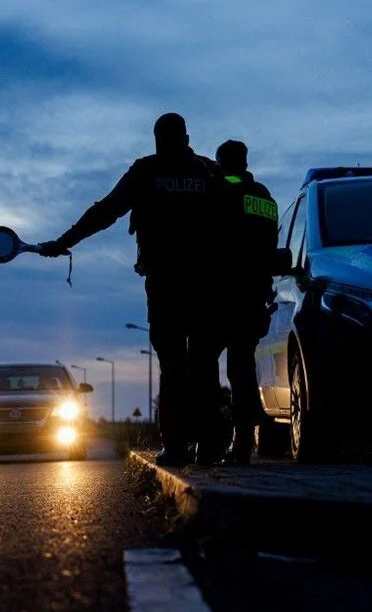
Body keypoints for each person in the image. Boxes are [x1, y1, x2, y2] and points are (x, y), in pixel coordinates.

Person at [38, 113, 224, 467]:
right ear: (186, 137)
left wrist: (64, 241)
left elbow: (105, 211)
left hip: (167, 282)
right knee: (203, 365)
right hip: (206, 284)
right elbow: (234, 223)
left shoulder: (146, 171)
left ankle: (178, 446)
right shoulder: (209, 172)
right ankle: (209, 446)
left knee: (173, 366)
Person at [211, 140, 278, 465]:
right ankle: (242, 442)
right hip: (253, 294)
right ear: (246, 160)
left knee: (207, 365)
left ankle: (211, 441)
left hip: (219, 293)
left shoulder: (216, 192)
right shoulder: (263, 197)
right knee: (242, 368)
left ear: (221, 162)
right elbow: (269, 245)